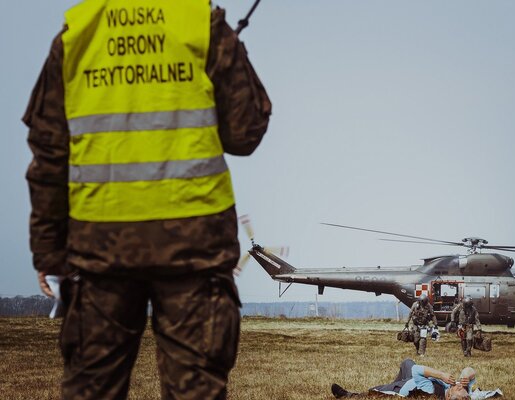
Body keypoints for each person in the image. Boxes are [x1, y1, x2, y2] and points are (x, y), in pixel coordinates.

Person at [24, 1, 271, 399]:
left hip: (99, 251)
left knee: (92, 388)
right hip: (194, 249)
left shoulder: (77, 33)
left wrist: (49, 252)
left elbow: (48, 154)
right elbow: (246, 132)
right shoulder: (201, 24)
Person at [331, 358, 476, 399]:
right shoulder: (463, 390)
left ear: (450, 396)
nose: (459, 386)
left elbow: (417, 370)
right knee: (407, 362)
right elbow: (470, 370)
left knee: (373, 392)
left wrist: (441, 375)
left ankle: (347, 395)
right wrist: (466, 376)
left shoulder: (432, 391)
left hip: (407, 386)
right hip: (414, 379)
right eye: (462, 387)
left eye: (459, 389)